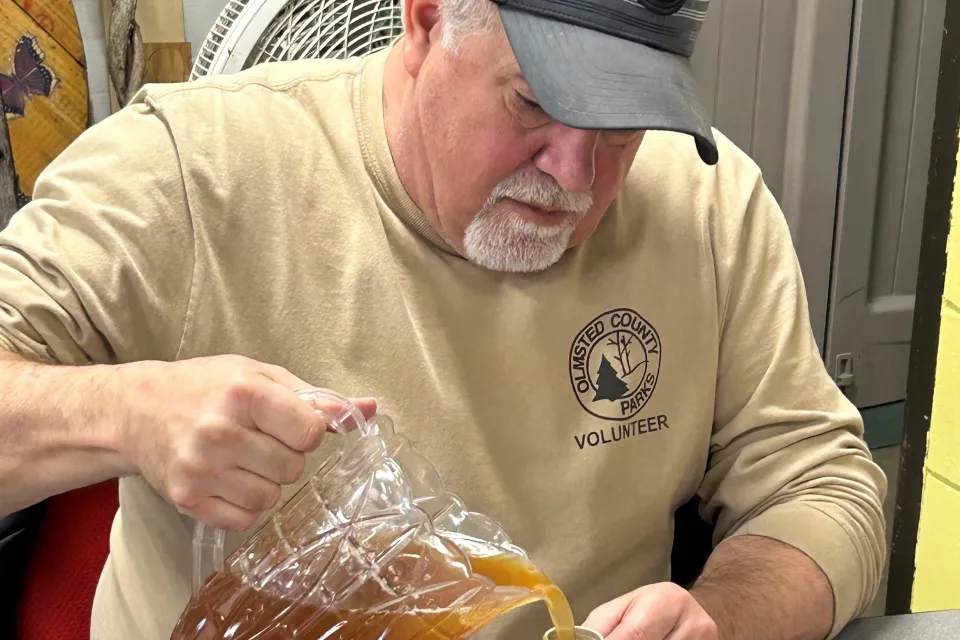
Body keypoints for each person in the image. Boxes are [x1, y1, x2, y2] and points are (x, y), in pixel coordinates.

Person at [0, 0, 887, 637]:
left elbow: (819, 482)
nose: (575, 178)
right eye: (535, 102)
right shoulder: (190, 176)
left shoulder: (706, 204)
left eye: (623, 124)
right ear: (423, 20)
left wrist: (722, 618)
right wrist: (131, 413)